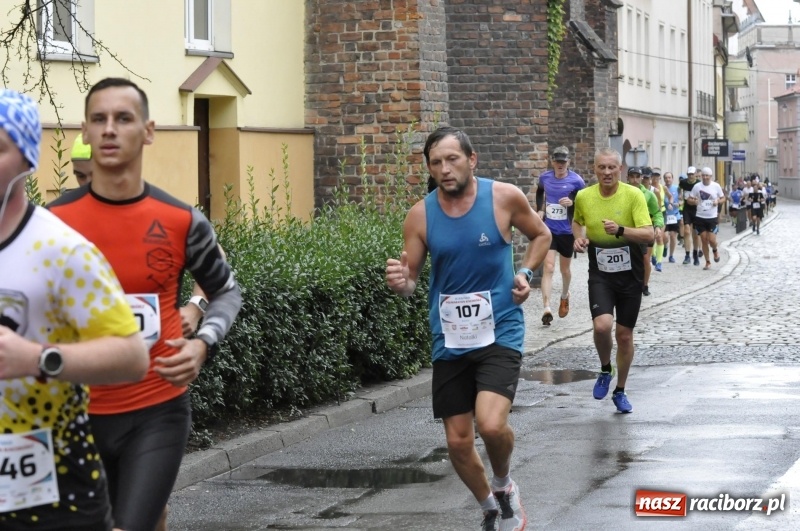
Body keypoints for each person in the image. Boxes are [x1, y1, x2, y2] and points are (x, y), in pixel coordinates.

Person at [47, 78, 243, 531]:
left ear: (149, 131)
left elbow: (226, 290)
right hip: (75, 411)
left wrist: (203, 345)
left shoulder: (181, 220)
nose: (110, 129)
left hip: (157, 407)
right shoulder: (54, 223)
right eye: (99, 119)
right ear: (86, 131)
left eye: (123, 118)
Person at [385, 126, 550, 531]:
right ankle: (490, 507)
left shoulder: (503, 197)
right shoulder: (420, 214)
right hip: (450, 337)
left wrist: (525, 273)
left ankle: (504, 484)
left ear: (471, 159)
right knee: (458, 442)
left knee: (491, 425)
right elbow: (411, 281)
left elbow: (542, 235)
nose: (444, 168)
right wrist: (400, 282)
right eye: (436, 162)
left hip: (500, 328)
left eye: (452, 159)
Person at [0, 89, 148, 530]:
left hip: (51, 483)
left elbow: (132, 356)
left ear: (27, 161)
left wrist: (37, 359)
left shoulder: (61, 250)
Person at [572, 148, 653, 414]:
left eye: (611, 168)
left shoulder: (634, 195)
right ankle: (605, 368)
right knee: (602, 326)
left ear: (620, 169)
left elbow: (648, 234)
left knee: (625, 335)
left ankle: (620, 389)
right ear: (594, 169)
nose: (606, 173)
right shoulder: (584, 196)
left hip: (630, 274)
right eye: (601, 168)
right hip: (601, 273)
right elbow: (577, 222)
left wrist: (620, 230)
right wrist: (579, 238)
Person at [534, 145, 584, 325]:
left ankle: (564, 295)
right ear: (552, 162)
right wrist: (540, 210)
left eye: (564, 162)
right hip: (549, 229)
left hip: (567, 231)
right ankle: (546, 307)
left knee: (564, 270)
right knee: (548, 267)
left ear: (568, 162)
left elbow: (583, 201)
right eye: (557, 161)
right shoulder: (545, 178)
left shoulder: (577, 181)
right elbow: (540, 192)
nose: (560, 165)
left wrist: (572, 202)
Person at [626, 167, 662, 296]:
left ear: (641, 178)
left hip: (645, 231)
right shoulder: (623, 192)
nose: (635, 180)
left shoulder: (648, 194)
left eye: (637, 177)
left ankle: (645, 285)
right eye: (632, 176)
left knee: (645, 259)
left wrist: (657, 226)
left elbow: (657, 212)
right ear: (628, 178)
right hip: (628, 231)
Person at [688, 167, 725, 270]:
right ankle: (707, 262)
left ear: (710, 176)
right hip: (700, 217)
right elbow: (689, 199)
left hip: (712, 217)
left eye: (707, 176)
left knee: (712, 240)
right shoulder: (697, 186)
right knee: (704, 240)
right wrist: (693, 201)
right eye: (703, 175)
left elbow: (723, 198)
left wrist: (718, 202)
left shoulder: (716, 186)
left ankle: (715, 250)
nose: (704, 177)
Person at [679, 166, 702, 266]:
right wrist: (680, 198)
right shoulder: (683, 182)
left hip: (697, 210)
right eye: (689, 174)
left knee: (696, 235)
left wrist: (696, 201)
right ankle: (687, 255)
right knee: (687, 231)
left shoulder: (699, 184)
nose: (690, 176)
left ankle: (695, 254)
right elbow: (679, 191)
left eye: (692, 174)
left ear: (696, 174)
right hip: (687, 209)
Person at [663, 172, 681, 262]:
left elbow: (682, 201)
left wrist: (678, 204)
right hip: (664, 216)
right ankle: (665, 246)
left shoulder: (677, 189)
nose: (668, 179)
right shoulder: (662, 189)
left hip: (674, 216)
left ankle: (671, 256)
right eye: (666, 178)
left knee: (673, 236)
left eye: (669, 177)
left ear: (672, 179)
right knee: (665, 237)